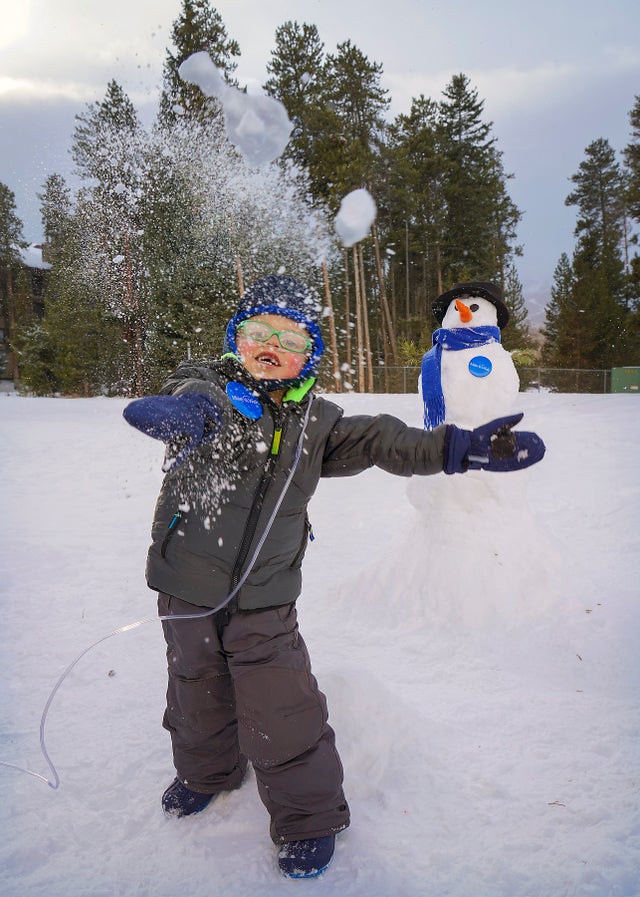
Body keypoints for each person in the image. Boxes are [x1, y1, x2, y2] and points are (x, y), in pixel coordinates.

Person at [123, 274, 545, 879]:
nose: (272, 348)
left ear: (311, 356)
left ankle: (308, 818)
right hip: (184, 590)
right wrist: (191, 410)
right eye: (258, 333)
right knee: (195, 689)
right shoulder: (209, 396)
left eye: (291, 340)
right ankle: (206, 773)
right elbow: (188, 391)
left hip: (264, 598)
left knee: (281, 706)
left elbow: (381, 439)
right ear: (235, 340)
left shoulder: (316, 424)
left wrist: (453, 448)